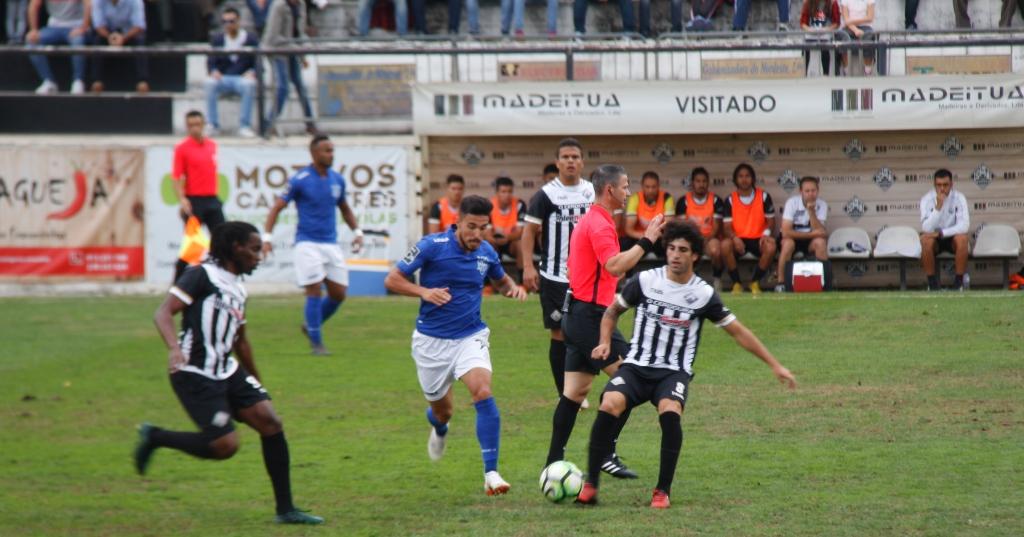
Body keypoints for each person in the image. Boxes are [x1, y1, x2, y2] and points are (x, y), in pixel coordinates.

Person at [576, 220, 797, 508]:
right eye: (671, 248)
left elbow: (739, 332)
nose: (675, 255)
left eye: (682, 250)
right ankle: (591, 485)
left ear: (694, 255)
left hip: (672, 373)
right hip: (636, 367)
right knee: (609, 404)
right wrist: (605, 341)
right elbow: (612, 312)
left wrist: (775, 365)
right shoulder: (645, 281)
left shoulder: (703, 294)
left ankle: (662, 491)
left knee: (670, 411)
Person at [133, 221, 324, 525]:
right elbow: (163, 312)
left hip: (227, 369)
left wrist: (255, 379)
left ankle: (286, 510)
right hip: (194, 372)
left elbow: (241, 340)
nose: (259, 256)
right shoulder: (200, 275)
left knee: (270, 422)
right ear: (236, 248)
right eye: (254, 249)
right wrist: (173, 347)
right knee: (225, 446)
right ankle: (156, 437)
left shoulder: (237, 286)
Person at [384, 195, 527, 495]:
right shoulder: (430, 247)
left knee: (483, 391)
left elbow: (501, 282)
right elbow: (393, 280)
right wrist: (423, 291)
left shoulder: (487, 252)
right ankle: (438, 427)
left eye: (483, 228)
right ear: (458, 222)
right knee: (443, 412)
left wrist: (513, 289)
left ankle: (492, 474)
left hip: (469, 336)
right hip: (431, 343)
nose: (477, 234)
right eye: (471, 227)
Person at [545, 163, 666, 480]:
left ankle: (552, 463)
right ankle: (605, 453)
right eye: (626, 186)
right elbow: (614, 266)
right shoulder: (599, 224)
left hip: (578, 315)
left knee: (573, 393)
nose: (629, 191)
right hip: (590, 319)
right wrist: (647, 240)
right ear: (610, 189)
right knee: (631, 381)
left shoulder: (591, 220)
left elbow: (589, 269)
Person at [262, 134, 364, 354]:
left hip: (330, 243)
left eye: (332, 150)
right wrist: (267, 239)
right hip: (307, 243)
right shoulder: (300, 179)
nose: (330, 154)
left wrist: (357, 231)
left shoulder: (337, 179)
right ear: (314, 153)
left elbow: (344, 208)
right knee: (314, 289)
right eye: (326, 151)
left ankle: (310, 325)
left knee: (339, 294)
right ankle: (316, 342)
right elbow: (276, 208)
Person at [521, 138, 592, 401]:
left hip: (586, 277)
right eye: (566, 157)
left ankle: (578, 385)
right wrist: (528, 267)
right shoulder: (546, 194)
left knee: (585, 330)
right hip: (554, 276)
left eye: (575, 156)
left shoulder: (592, 192)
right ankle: (566, 392)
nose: (571, 161)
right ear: (558, 162)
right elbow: (528, 232)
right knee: (561, 332)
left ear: (582, 162)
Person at [172, 111, 224, 282]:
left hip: (212, 199)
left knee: (222, 240)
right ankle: (177, 283)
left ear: (203, 125)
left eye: (197, 124)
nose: (195, 128)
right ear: (187, 127)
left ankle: (222, 280)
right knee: (191, 246)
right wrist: (182, 199)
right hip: (194, 201)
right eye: (191, 125)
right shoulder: (182, 148)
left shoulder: (212, 145)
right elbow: (177, 176)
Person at [263, 0, 318, 136]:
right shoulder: (279, 6)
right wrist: (296, 48)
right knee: (283, 87)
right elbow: (273, 36)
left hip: (293, 50)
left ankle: (310, 124)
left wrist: (302, 55)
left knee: (300, 85)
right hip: (278, 50)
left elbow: (299, 33)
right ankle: (269, 124)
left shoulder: (301, 5)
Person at [721, 163, 776, 295]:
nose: (744, 179)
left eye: (747, 176)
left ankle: (755, 282)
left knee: (771, 246)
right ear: (735, 179)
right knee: (724, 245)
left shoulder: (763, 196)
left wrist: (766, 234)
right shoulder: (730, 199)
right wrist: (735, 238)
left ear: (753, 178)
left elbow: (771, 222)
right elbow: (727, 227)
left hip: (758, 239)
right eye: (740, 176)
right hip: (739, 239)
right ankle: (736, 283)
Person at [205, 7, 258, 138]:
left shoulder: (250, 38)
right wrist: (213, 71)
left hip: (241, 78)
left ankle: (244, 125)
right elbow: (211, 60)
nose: (228, 25)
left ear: (239, 21)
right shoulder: (218, 39)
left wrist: (253, 72)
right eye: (225, 22)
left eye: (231, 21)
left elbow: (258, 61)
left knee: (249, 85)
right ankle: (212, 124)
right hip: (223, 78)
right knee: (209, 83)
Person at [775, 176, 828, 292]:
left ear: (818, 191)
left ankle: (824, 282)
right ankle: (781, 282)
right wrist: (812, 235)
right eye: (807, 191)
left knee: (820, 243)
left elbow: (820, 232)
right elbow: (786, 232)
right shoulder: (792, 202)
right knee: (788, 244)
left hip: (809, 241)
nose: (810, 194)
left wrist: (811, 211)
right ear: (801, 192)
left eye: (813, 191)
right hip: (793, 238)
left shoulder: (822, 204)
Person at [919, 168, 970, 291]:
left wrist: (942, 233)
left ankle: (958, 284)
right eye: (939, 185)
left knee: (963, 239)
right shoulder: (926, 199)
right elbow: (926, 228)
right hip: (934, 240)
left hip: (952, 238)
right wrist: (937, 208)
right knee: (925, 240)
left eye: (945, 185)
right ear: (934, 185)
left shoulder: (959, 198)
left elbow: (964, 226)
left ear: (951, 184)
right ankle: (932, 284)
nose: (942, 189)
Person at [26, 0, 90, 95]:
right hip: (54, 26)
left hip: (75, 26)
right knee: (31, 42)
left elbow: (89, 4)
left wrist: (84, 26)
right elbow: (33, 6)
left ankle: (78, 81)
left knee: (78, 41)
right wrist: (33, 29)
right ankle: (49, 82)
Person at [677, 166, 726, 290]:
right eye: (698, 181)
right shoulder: (684, 201)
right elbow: (683, 228)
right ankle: (689, 281)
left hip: (709, 239)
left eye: (704, 181)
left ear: (708, 183)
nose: (701, 184)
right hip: (691, 239)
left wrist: (705, 239)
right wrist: (696, 240)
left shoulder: (716, 201)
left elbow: (715, 228)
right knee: (683, 248)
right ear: (692, 183)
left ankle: (717, 279)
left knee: (716, 250)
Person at [89, 0, 147, 93]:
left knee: (140, 40)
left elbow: (139, 26)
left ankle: (142, 81)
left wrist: (123, 38)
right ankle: (96, 81)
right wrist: (110, 36)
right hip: (108, 34)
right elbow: (98, 25)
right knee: (97, 40)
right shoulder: (97, 1)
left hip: (129, 34)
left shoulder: (135, 1)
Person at [622, 171, 674, 255]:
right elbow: (629, 229)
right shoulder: (635, 198)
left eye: (654, 187)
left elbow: (668, 228)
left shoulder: (666, 197)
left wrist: (653, 236)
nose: (650, 190)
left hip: (659, 238)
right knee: (625, 243)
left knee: (671, 243)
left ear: (658, 186)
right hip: (640, 237)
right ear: (642, 186)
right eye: (647, 187)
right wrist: (646, 238)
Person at [485, 176, 527, 276]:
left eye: (509, 191)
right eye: (503, 191)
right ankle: (488, 284)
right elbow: (487, 233)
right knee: (487, 244)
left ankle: (522, 281)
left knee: (520, 244)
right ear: (497, 193)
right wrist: (493, 240)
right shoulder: (489, 205)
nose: (507, 195)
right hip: (494, 241)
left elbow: (520, 232)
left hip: (511, 242)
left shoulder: (519, 204)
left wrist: (507, 238)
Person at [800, 0, 841, 75]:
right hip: (811, 31)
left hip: (827, 31)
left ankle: (826, 73)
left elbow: (836, 23)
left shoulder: (832, 3)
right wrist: (810, 30)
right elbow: (803, 23)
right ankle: (804, 73)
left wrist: (826, 29)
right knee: (805, 48)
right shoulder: (808, 2)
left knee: (825, 48)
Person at [840, 0, 876, 75]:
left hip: (866, 26)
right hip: (849, 27)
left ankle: (867, 70)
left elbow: (870, 18)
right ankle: (846, 71)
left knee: (868, 40)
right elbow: (845, 19)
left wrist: (851, 21)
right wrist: (855, 29)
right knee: (844, 39)